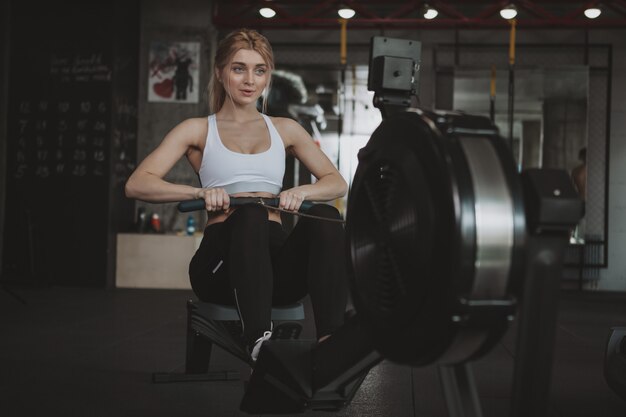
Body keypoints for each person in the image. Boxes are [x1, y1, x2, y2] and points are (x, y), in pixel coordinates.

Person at [125, 28, 349, 362]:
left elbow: (337, 182)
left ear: (267, 76)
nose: (249, 80)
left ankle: (332, 341)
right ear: (219, 72)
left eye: (259, 70)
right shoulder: (198, 129)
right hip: (220, 268)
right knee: (251, 213)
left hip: (275, 273)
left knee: (327, 217)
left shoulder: (285, 129)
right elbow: (137, 183)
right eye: (238, 68)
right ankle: (259, 342)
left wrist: (302, 191)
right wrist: (200, 192)